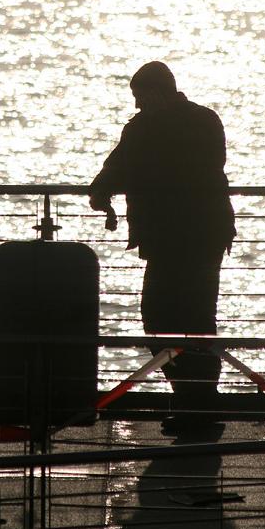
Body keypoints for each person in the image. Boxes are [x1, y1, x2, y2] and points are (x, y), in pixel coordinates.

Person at [88, 61, 236, 432]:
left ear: (157, 93)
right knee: (185, 321)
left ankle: (197, 406)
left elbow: (128, 166)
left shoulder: (165, 126)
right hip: (196, 236)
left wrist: (106, 188)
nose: (137, 105)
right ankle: (196, 404)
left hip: (185, 238)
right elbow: (122, 164)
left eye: (140, 97)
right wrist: (103, 188)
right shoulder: (198, 121)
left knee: (171, 320)